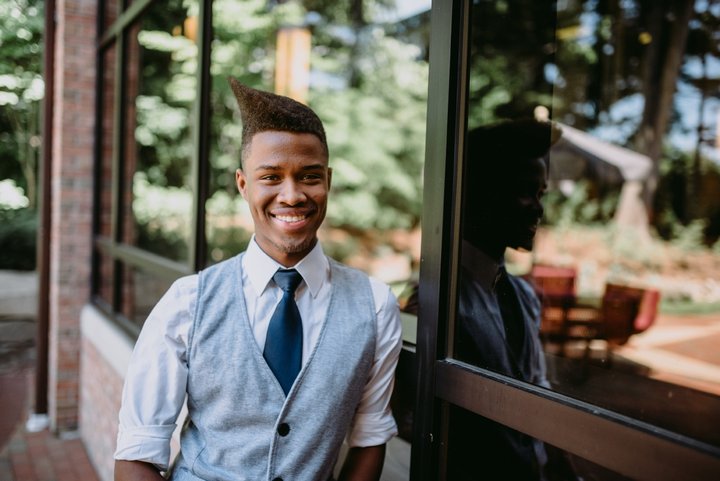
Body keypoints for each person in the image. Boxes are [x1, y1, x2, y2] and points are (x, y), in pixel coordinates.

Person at [113, 78, 403, 481]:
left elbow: (370, 436)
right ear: (243, 185)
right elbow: (137, 453)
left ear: (328, 182)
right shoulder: (187, 302)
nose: (292, 195)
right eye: (271, 177)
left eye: (309, 176)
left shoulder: (374, 305)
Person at [445, 118, 578, 481]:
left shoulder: (522, 295)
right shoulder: (441, 301)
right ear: (480, 194)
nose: (538, 208)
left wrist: (562, 466)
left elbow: (538, 387)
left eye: (541, 194)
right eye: (524, 191)